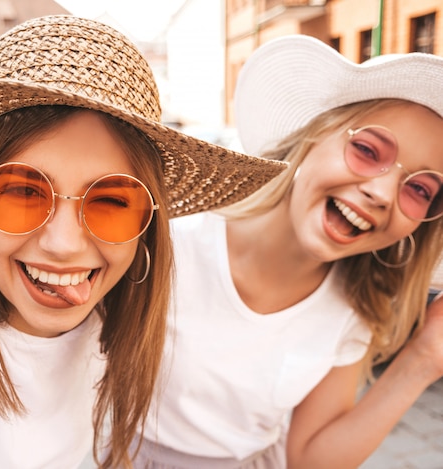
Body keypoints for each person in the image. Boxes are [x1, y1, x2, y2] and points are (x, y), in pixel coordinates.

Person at [0, 15, 286, 469]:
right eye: (22, 191)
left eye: (111, 202)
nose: (63, 244)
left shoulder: (108, 311)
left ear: (147, 227)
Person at [134, 34, 443, 468]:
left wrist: (425, 359)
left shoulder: (352, 311)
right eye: (367, 150)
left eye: (419, 189)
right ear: (313, 138)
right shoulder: (169, 243)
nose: (382, 193)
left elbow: (308, 459)